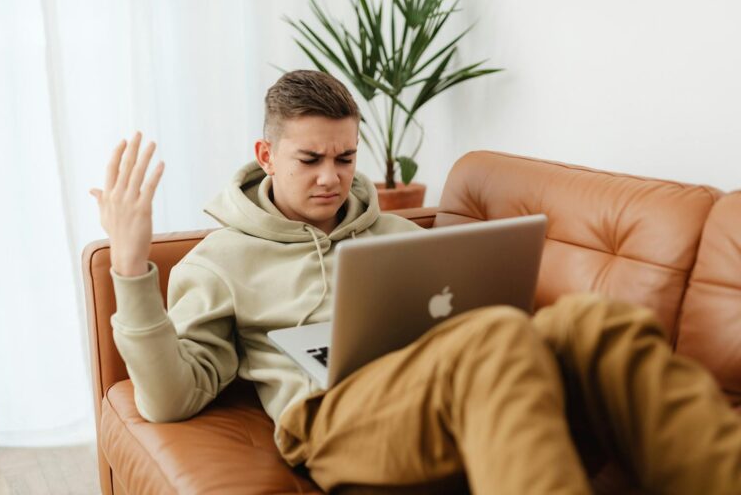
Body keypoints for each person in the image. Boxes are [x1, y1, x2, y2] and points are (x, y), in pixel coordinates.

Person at [90, 70, 741, 494]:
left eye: (345, 159)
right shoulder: (219, 259)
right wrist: (131, 266)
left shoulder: (401, 239)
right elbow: (169, 399)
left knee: (593, 323)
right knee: (495, 337)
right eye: (309, 159)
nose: (331, 177)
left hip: (444, 384)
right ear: (266, 157)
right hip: (331, 418)